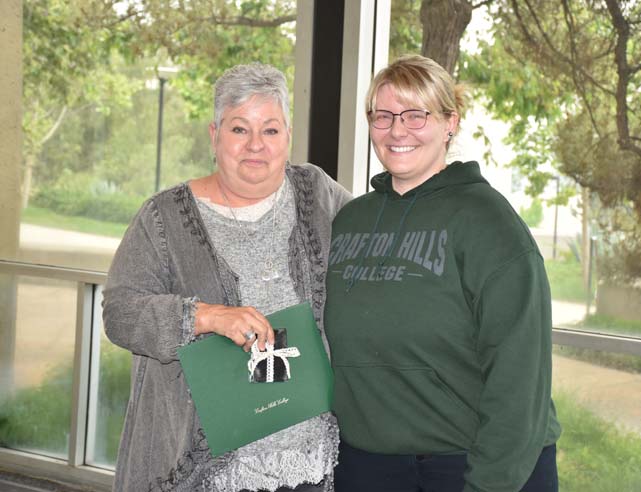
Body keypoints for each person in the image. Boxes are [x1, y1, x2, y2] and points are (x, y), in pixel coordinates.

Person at [103, 63, 351, 492]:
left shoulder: (319, 195)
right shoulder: (163, 218)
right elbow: (120, 313)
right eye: (240, 129)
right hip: (205, 472)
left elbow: (381, 240)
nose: (256, 145)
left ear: (288, 136)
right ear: (214, 135)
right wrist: (205, 317)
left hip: (313, 465)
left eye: (271, 130)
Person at [324, 54, 561, 492]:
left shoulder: (489, 223)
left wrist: (489, 483)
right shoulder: (350, 220)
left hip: (474, 465)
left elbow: (520, 378)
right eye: (384, 116)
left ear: (450, 122)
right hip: (368, 466)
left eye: (417, 115)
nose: (398, 130)